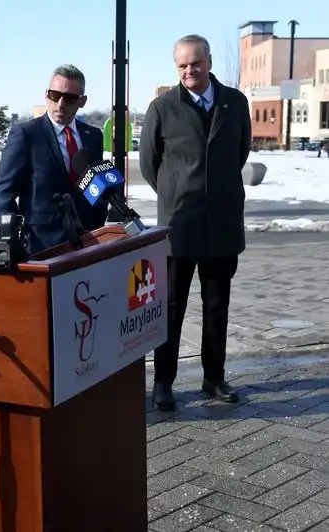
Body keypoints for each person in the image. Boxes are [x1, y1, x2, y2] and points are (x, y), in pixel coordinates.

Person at [139, 35, 252, 411]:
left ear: (209, 61)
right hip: (179, 228)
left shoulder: (234, 102)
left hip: (221, 224)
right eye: (183, 65)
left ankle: (213, 379)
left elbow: (240, 151)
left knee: (217, 305)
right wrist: (175, 195)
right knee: (170, 307)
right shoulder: (162, 107)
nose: (190, 71)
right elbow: (149, 164)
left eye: (196, 63)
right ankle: (163, 383)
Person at [0, 64, 108, 254]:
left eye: (70, 98)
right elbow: (3, 192)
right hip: (40, 246)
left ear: (82, 101)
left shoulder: (93, 136)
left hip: (87, 244)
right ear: (47, 95)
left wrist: (96, 227)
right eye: (55, 95)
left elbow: (96, 189)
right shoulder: (26, 135)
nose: (60, 104)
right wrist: (13, 238)